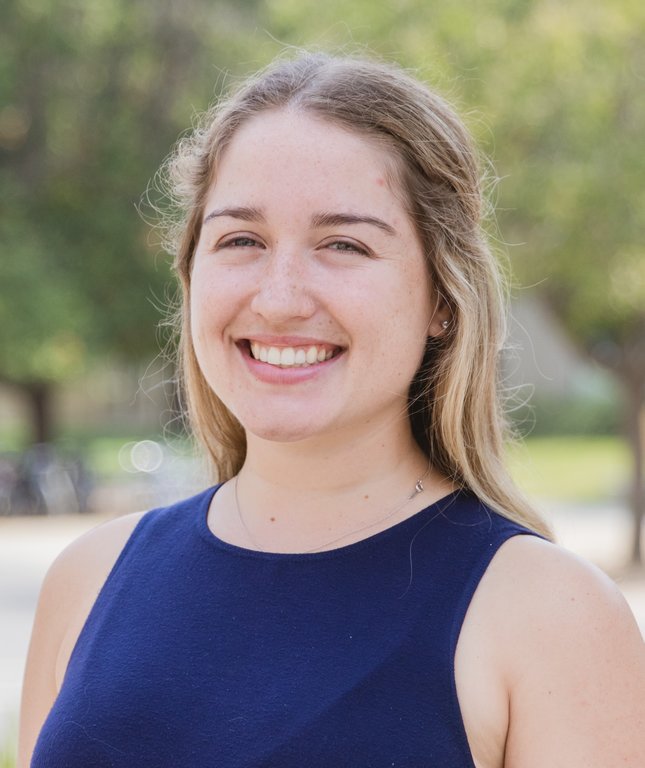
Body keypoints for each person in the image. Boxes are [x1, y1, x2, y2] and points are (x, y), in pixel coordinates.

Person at [19, 52, 644, 768]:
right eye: (241, 240)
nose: (280, 298)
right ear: (190, 274)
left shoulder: (549, 617)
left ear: (442, 298)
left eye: (343, 244)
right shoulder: (88, 580)